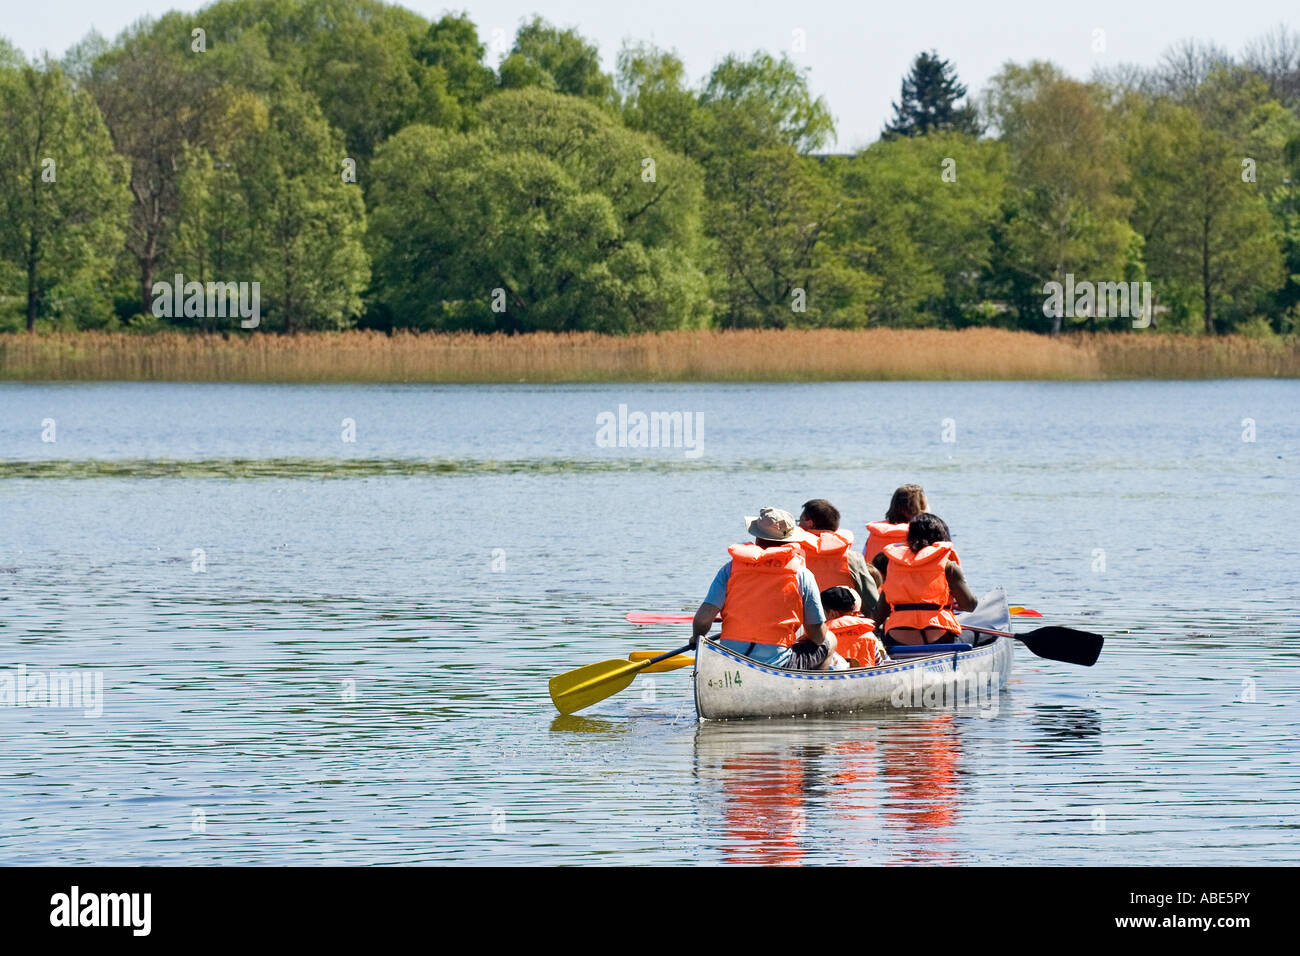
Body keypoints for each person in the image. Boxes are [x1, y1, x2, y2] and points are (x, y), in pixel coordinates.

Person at [692, 507, 836, 671]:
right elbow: (817, 635)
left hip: (731, 660)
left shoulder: (730, 569)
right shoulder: (802, 574)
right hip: (778, 664)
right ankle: (813, 689)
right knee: (829, 640)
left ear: (757, 538)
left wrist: (697, 638)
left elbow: (702, 621)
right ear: (789, 541)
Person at [875, 512, 978, 647]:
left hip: (898, 638)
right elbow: (969, 605)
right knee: (983, 635)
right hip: (940, 637)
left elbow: (879, 615)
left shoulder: (893, 565)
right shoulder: (948, 566)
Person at [796, 499, 880, 610]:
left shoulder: (794, 555)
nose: (798, 525)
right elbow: (871, 600)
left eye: (800, 521)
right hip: (841, 621)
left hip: (806, 621)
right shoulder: (852, 558)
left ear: (810, 523)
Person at [865, 484, 929, 577]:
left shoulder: (875, 533)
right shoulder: (921, 535)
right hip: (904, 588)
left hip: (876, 588)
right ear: (921, 509)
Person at [821, 586, 887, 668]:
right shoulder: (869, 635)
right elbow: (879, 666)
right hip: (865, 679)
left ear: (832, 614)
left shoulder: (822, 637)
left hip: (834, 679)